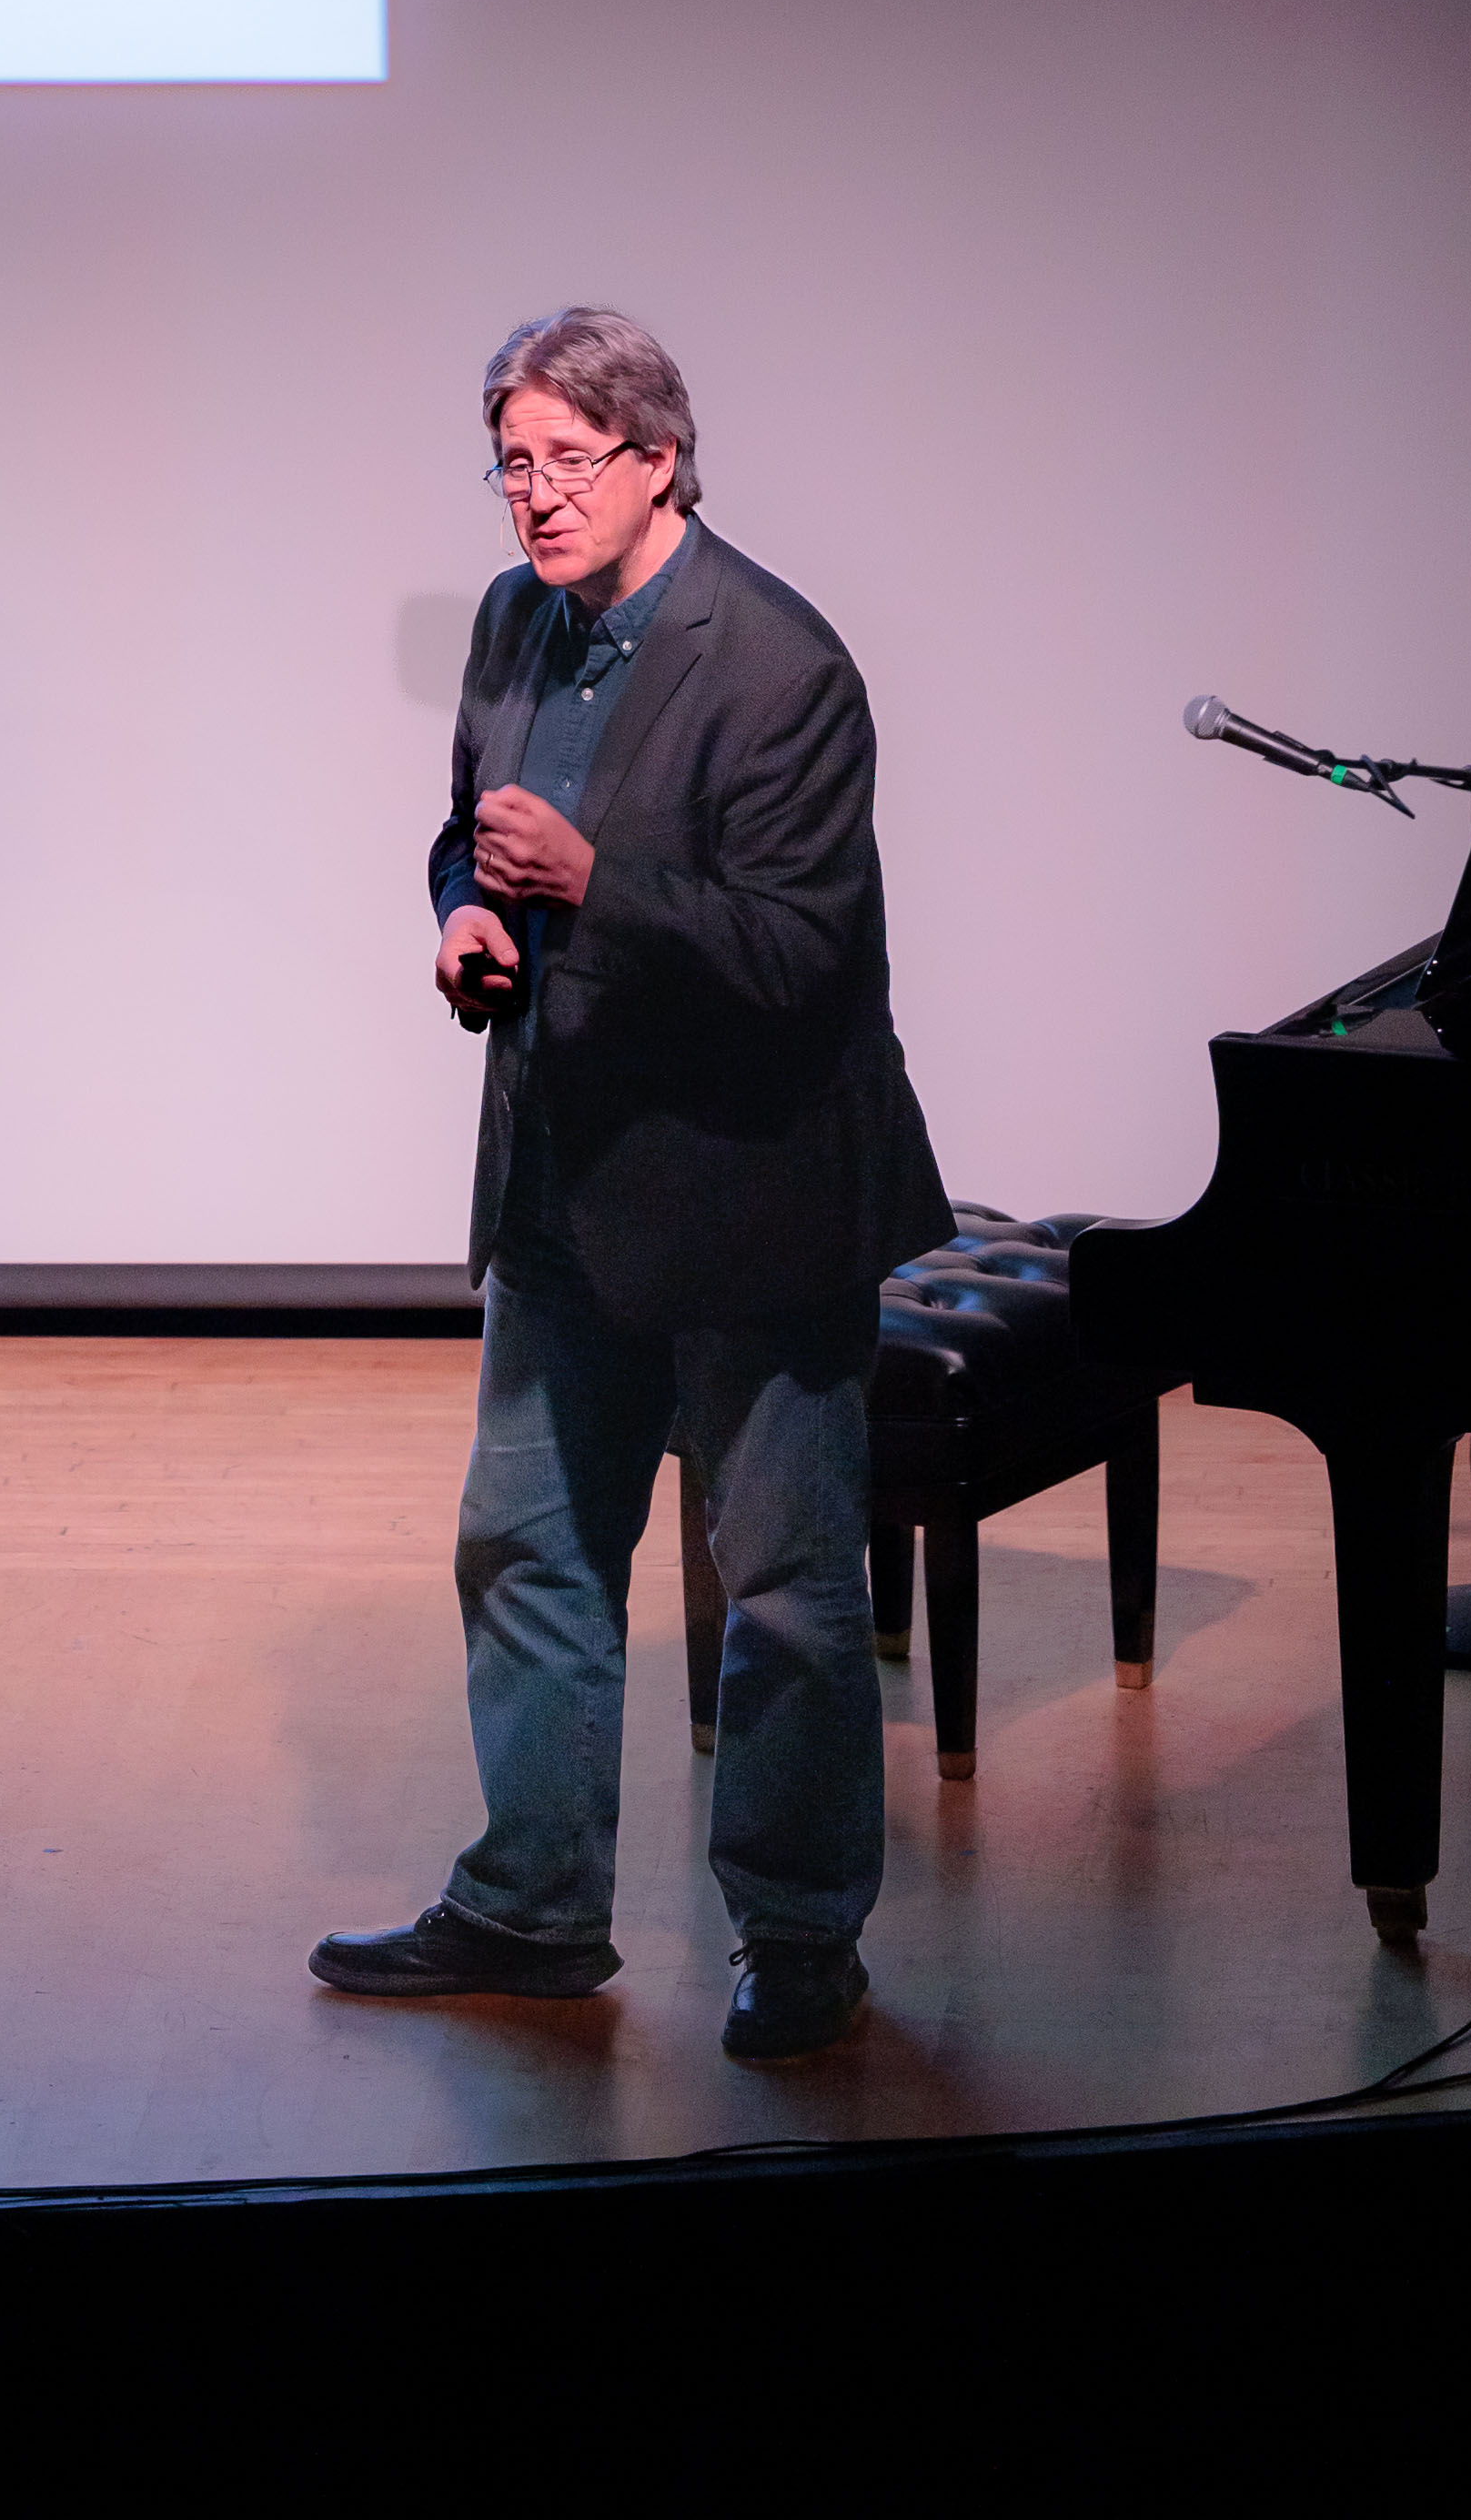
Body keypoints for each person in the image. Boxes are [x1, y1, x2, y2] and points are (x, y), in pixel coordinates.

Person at [311, 306, 948, 2062]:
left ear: (659, 460)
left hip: (752, 1195)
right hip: (564, 1175)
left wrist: (591, 883)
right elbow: (468, 833)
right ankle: (530, 1907)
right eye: (509, 464)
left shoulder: (781, 666)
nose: (534, 496)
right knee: (526, 1551)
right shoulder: (515, 621)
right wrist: (467, 913)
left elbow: (803, 960)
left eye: (567, 461)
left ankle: (800, 1940)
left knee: (787, 1594)